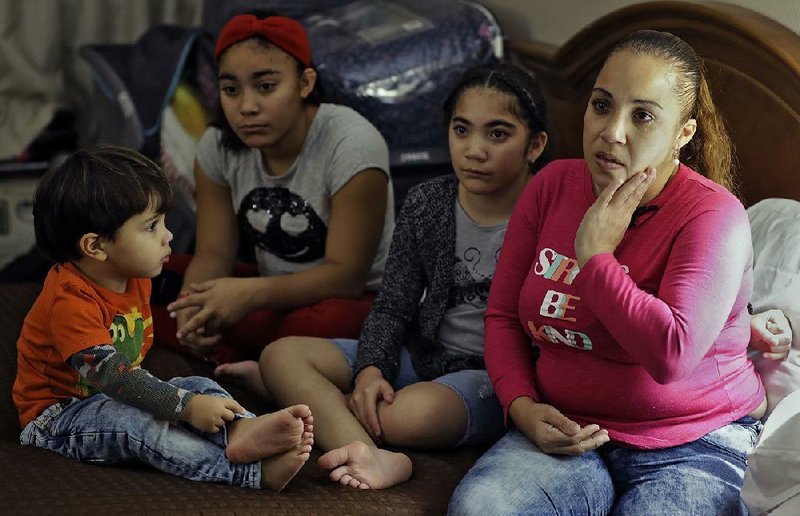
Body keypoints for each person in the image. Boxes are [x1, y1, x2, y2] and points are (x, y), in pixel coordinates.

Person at [449, 30, 768, 515]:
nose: (612, 131)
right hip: (567, 426)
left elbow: (672, 354)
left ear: (683, 133)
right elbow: (503, 317)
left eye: (642, 116)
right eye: (602, 105)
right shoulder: (552, 186)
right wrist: (521, 406)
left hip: (694, 439)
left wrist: (596, 257)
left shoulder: (713, 216)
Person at [247, 62, 550, 490]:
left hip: (490, 376)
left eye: (497, 134)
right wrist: (372, 368)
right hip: (422, 354)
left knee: (405, 417)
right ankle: (369, 453)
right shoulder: (428, 202)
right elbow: (393, 304)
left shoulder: (551, 215)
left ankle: (302, 397)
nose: (474, 150)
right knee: (282, 354)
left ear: (535, 144)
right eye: (461, 130)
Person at [12, 145, 314, 492]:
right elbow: (110, 375)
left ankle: (241, 430)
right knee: (137, 425)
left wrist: (188, 399)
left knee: (196, 385)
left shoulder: (135, 275)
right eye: (151, 226)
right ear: (95, 247)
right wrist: (183, 408)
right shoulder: (68, 301)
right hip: (59, 418)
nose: (168, 236)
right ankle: (248, 473)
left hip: (113, 397)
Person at [158, 12, 394, 366]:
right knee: (145, 271)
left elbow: (346, 276)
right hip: (272, 290)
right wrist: (194, 307)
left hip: (355, 298)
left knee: (316, 326)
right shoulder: (217, 146)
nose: (247, 107)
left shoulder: (352, 143)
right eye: (231, 90)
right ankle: (241, 354)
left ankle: (245, 356)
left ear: (305, 83)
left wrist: (248, 296)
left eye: (266, 86)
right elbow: (213, 255)